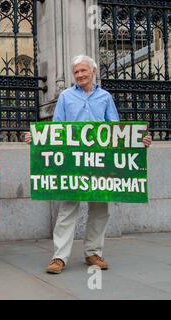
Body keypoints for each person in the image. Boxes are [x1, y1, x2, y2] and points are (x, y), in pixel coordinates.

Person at [25, 55, 152, 274]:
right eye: (76, 72)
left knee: (100, 209)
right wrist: (37, 138)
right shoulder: (65, 97)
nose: (80, 75)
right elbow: (56, 130)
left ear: (93, 72)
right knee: (67, 210)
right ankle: (59, 257)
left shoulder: (105, 97)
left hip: (100, 163)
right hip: (73, 163)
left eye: (84, 71)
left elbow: (116, 129)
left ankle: (93, 252)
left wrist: (138, 141)